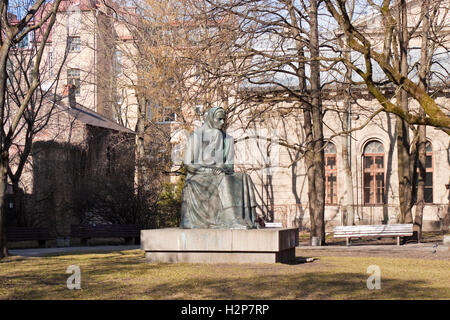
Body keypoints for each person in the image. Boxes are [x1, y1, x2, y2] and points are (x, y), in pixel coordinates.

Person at [180, 107, 258, 229]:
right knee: (224, 180)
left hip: (221, 172)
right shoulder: (196, 136)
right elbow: (188, 164)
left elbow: (230, 165)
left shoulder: (228, 139)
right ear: (211, 118)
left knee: (244, 177)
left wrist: (223, 167)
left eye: (224, 120)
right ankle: (231, 219)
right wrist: (207, 169)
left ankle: (247, 218)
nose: (222, 122)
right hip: (199, 175)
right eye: (219, 119)